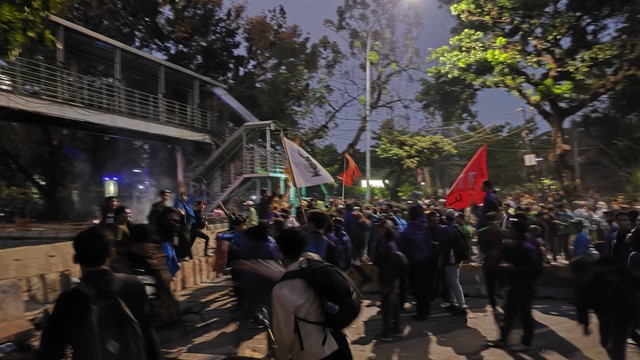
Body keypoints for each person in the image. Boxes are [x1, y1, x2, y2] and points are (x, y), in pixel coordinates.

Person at [39, 226, 161, 359]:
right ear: (112, 254)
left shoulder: (69, 299)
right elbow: (149, 338)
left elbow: (50, 350)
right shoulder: (133, 285)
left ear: (75, 259)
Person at [272, 227, 352, 359]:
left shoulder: (282, 290)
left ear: (280, 252)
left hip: (312, 352)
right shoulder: (316, 263)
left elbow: (284, 334)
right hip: (339, 342)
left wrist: (282, 355)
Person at [488, 215, 542, 351]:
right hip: (514, 285)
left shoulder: (529, 247)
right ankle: (503, 339)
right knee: (509, 312)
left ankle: (526, 342)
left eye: (511, 229)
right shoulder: (513, 246)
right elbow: (503, 257)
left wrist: (514, 269)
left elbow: (536, 269)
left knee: (525, 314)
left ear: (517, 232)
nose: (508, 231)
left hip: (525, 286)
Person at [373, 219, 407, 342]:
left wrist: (387, 282)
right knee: (394, 306)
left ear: (386, 230)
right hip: (392, 278)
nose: (378, 230)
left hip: (388, 279)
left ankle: (386, 334)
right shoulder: (391, 242)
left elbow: (383, 263)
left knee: (387, 307)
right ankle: (396, 329)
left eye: (380, 228)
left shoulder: (386, 245)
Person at [476, 212, 505, 311]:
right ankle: (498, 299)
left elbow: (481, 247)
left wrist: (489, 252)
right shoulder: (500, 231)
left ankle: (493, 302)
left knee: (490, 283)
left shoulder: (481, 232)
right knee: (499, 282)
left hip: (488, 261)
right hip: (499, 262)